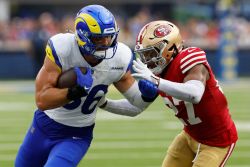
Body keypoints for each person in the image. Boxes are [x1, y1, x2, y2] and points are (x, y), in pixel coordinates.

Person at [15, 5, 153, 167]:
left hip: (77, 135)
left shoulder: (120, 57)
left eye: (109, 37)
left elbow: (137, 104)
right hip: (42, 127)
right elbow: (42, 100)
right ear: (82, 36)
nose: (106, 43)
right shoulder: (63, 47)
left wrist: (148, 95)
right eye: (98, 38)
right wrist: (74, 92)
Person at [131, 20, 238, 167]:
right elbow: (135, 107)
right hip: (189, 135)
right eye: (144, 54)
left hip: (217, 141)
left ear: (170, 48)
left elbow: (195, 94)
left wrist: (155, 81)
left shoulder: (189, 57)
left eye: (151, 53)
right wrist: (103, 102)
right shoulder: (160, 72)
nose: (147, 60)